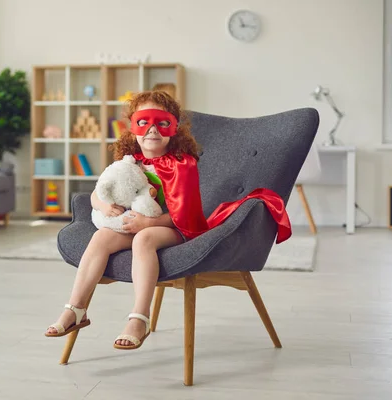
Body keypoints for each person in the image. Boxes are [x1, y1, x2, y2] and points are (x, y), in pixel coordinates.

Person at [45, 90, 292, 350]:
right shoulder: (129, 163)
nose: (152, 130)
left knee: (144, 239)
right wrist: (104, 205)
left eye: (161, 123)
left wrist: (149, 223)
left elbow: (183, 215)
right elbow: (99, 193)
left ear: (173, 128)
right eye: (144, 122)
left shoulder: (181, 165)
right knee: (101, 237)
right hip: (132, 223)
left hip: (175, 229)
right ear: (132, 128)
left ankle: (140, 317)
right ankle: (76, 309)